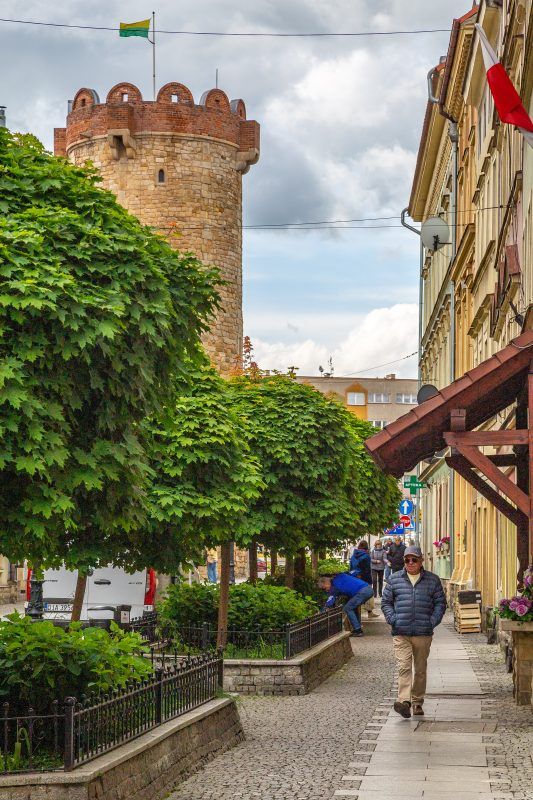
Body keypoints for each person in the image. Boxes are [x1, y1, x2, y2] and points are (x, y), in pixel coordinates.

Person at [381, 545, 446, 718]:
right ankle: (404, 701)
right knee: (403, 667)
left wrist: (432, 622)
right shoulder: (394, 579)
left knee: (420, 669)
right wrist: (392, 619)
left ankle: (417, 702)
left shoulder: (432, 580)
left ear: (421, 561)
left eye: (414, 559)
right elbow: (386, 602)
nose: (410, 563)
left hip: (423, 633)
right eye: (407, 559)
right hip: (401, 632)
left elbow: (441, 603)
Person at [319, 572, 374, 637]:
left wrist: (321, 612)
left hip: (362, 592)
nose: (325, 591)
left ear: (326, 583)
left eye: (324, 588)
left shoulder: (335, 586)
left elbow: (329, 602)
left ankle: (358, 630)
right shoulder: (339, 576)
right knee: (352, 607)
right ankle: (357, 627)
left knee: (348, 608)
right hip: (367, 588)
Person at [350, 540, 379, 618]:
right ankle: (370, 612)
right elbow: (367, 569)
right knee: (369, 595)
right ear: (366, 547)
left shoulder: (353, 556)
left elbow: (351, 568)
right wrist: (369, 580)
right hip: (365, 579)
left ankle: (357, 614)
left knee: (357, 595)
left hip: (355, 578)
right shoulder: (366, 556)